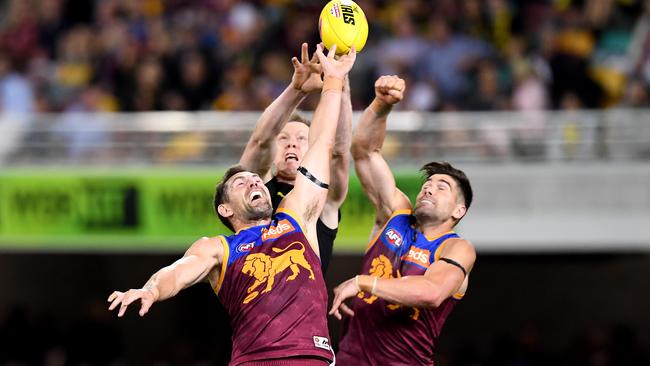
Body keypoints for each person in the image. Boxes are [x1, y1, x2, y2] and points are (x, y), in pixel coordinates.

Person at [107, 44, 356, 366]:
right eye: (242, 182)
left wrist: (336, 83)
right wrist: (151, 290)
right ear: (225, 209)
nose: (254, 182)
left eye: (256, 180)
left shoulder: (298, 217)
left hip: (313, 357)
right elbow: (179, 272)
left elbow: (325, 145)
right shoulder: (219, 248)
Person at [329, 75, 476, 366]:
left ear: (458, 211)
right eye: (428, 183)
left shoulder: (456, 249)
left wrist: (363, 282)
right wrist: (382, 105)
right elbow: (364, 152)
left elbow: (432, 293)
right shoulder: (395, 213)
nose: (429, 187)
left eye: (441, 187)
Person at [238, 42, 352, 274]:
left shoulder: (327, 199)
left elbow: (339, 151)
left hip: (307, 307)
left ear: (313, 150)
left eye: (301, 138)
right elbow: (261, 141)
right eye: (283, 139)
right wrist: (296, 90)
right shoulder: (255, 189)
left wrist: (340, 83)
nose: (291, 143)